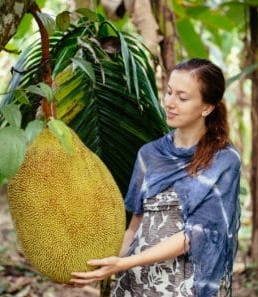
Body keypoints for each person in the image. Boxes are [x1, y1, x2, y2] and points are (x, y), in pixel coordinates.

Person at [70, 58, 241, 297]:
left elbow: (195, 236)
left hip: (184, 284)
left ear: (207, 107)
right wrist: (99, 266)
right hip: (136, 280)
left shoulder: (224, 160)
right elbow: (135, 227)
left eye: (182, 98)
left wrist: (126, 263)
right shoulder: (149, 154)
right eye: (169, 92)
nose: (170, 103)